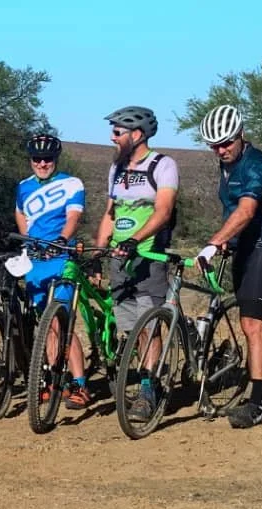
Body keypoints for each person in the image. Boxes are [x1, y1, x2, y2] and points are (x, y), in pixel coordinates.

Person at [196, 105, 262, 428]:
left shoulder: (257, 165)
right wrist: (226, 242)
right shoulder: (225, 167)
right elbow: (230, 211)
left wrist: (214, 240)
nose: (221, 150)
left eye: (226, 143)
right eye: (214, 145)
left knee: (252, 323)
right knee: (255, 322)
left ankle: (258, 401)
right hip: (244, 249)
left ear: (241, 134)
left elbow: (247, 211)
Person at [94, 106, 179, 414]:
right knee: (132, 328)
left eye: (118, 132)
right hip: (119, 258)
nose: (112, 137)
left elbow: (164, 211)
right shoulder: (116, 168)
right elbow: (110, 213)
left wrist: (135, 240)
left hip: (148, 256)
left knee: (150, 325)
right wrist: (98, 249)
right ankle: (146, 379)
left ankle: (148, 390)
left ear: (137, 135)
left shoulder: (163, 165)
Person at [15, 134, 90, 409]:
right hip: (35, 263)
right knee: (45, 326)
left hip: (61, 257)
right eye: (37, 159)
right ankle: (52, 382)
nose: (42, 163)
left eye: (47, 159)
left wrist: (61, 239)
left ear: (56, 159)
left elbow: (74, 216)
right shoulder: (23, 186)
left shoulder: (72, 183)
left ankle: (79, 384)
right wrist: (27, 242)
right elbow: (20, 214)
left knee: (60, 322)